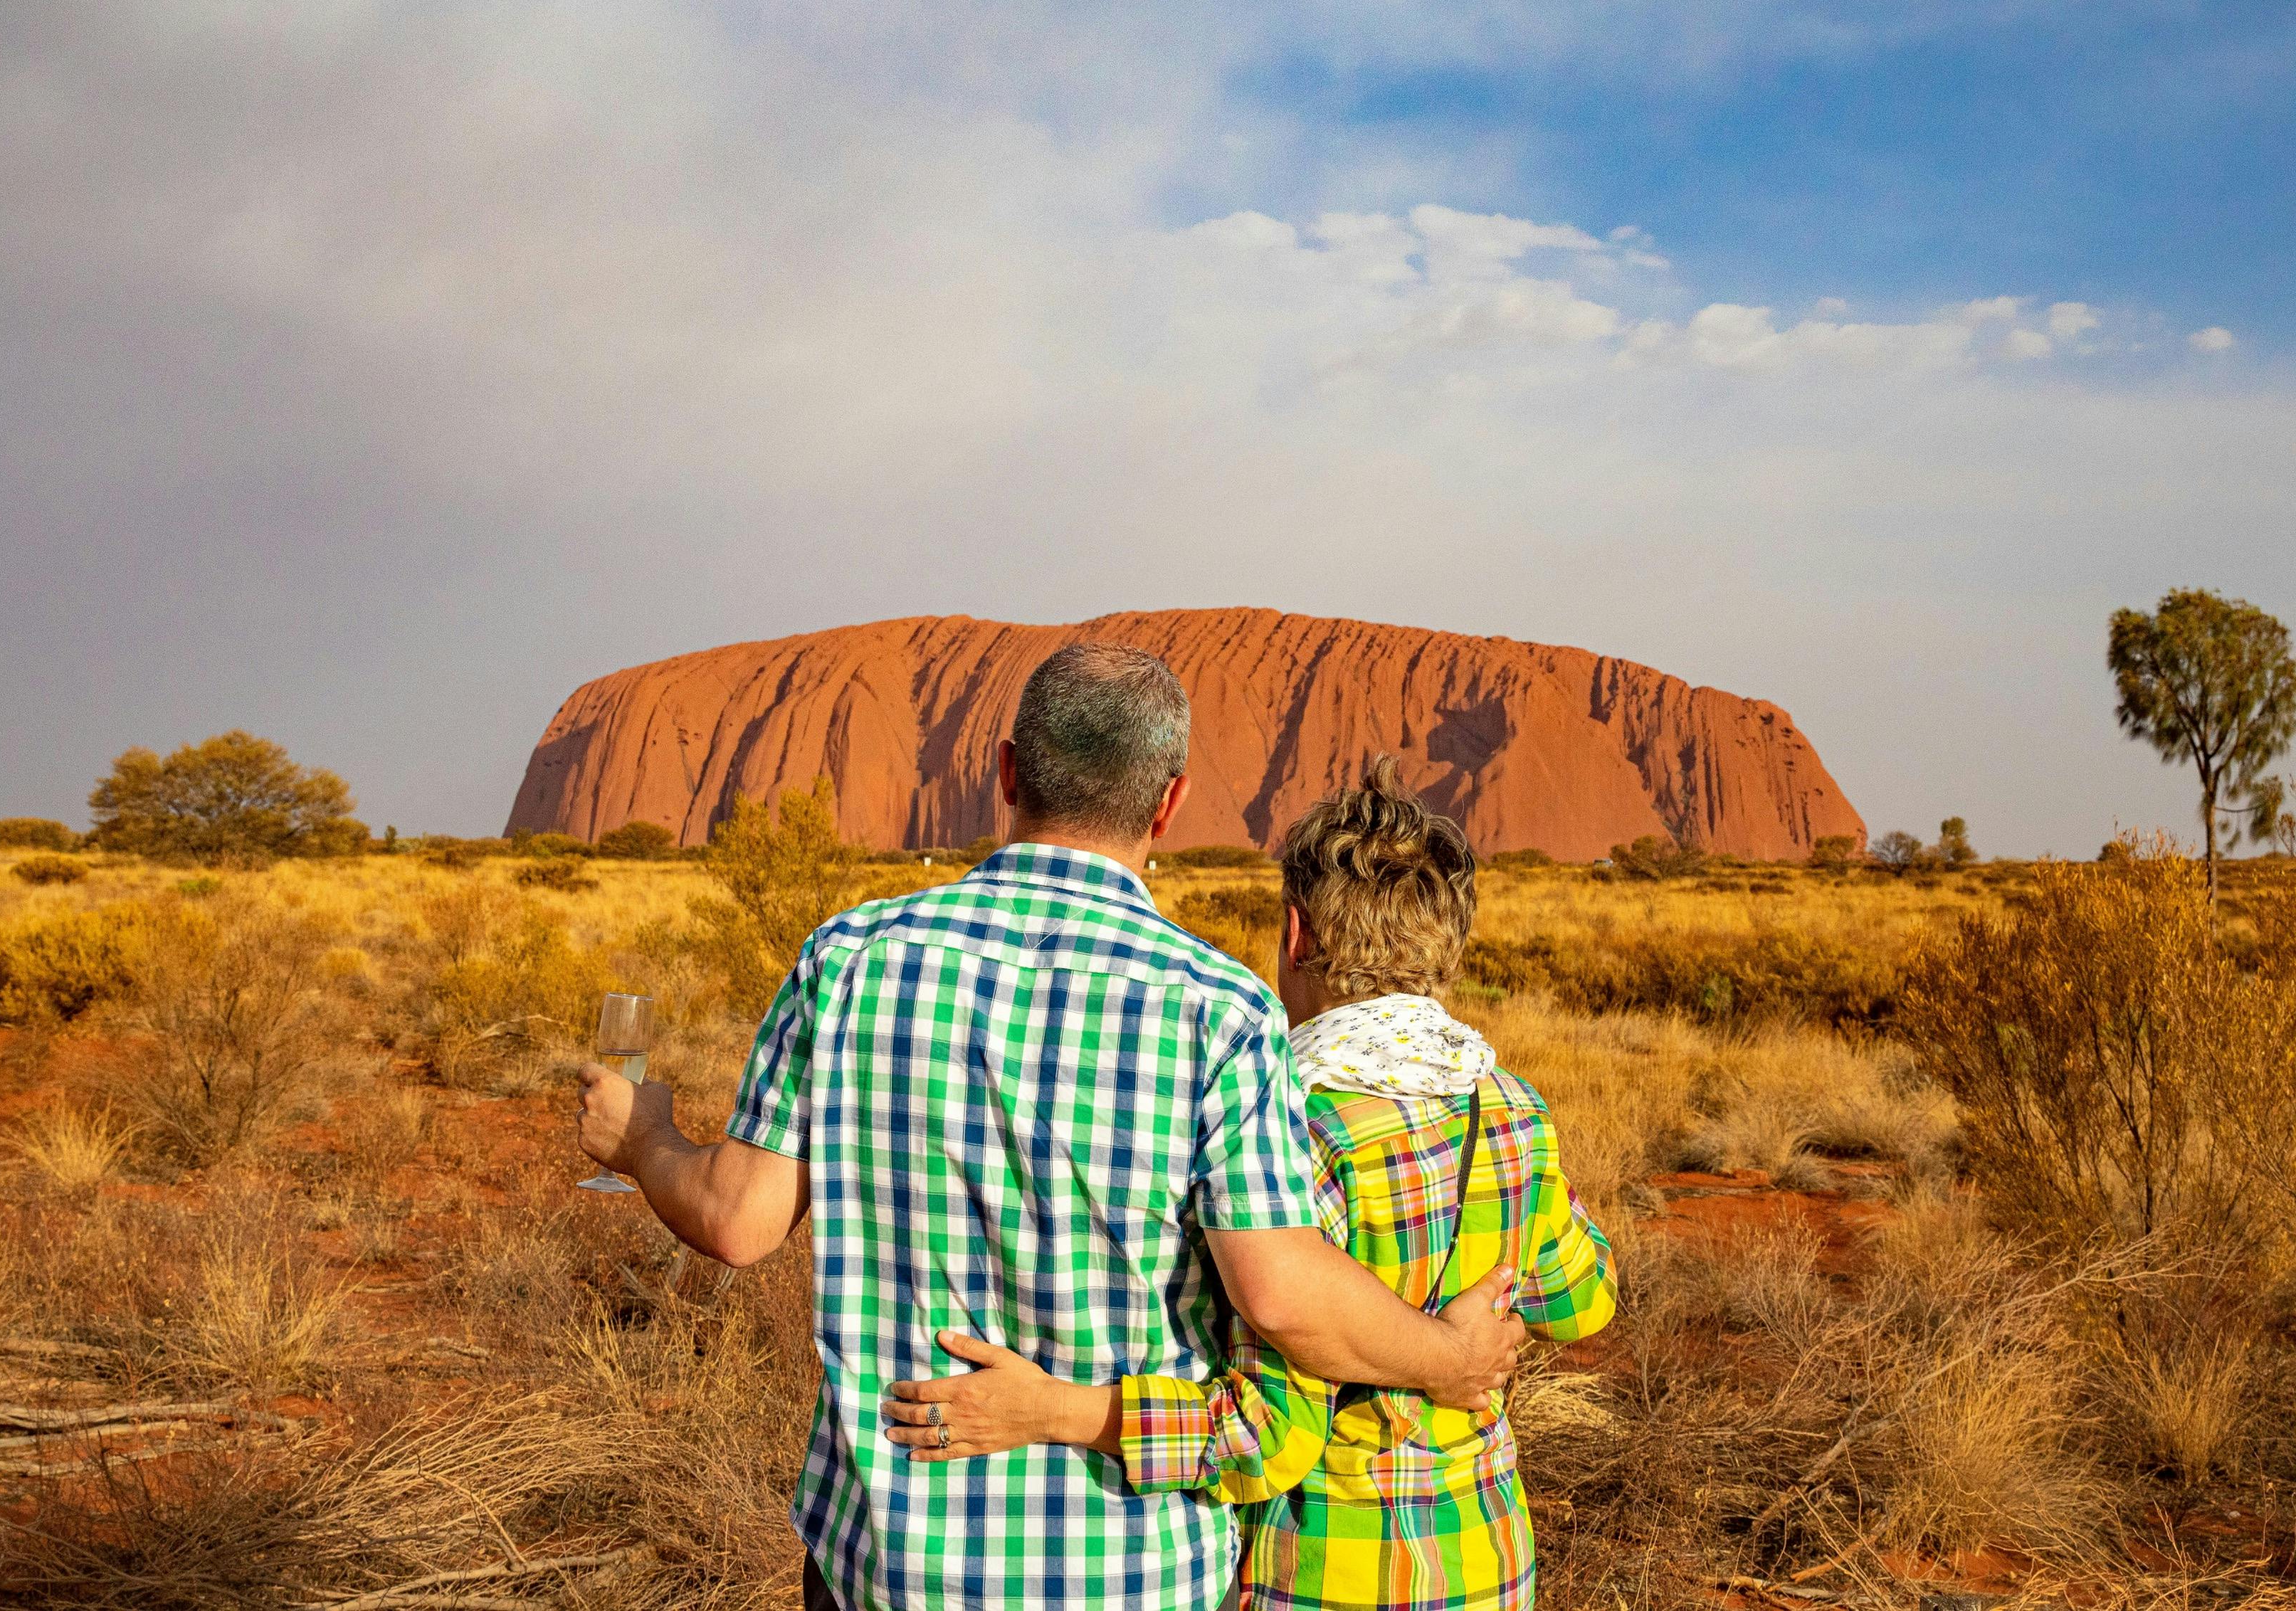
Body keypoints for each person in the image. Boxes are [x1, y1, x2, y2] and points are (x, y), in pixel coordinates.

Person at [577, 649, 1524, 1611]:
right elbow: (1280, 1294)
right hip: (1124, 1575)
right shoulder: (1219, 1007)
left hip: (888, 1567)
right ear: (1170, 804)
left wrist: (643, 1140)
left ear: (1007, 772)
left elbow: (735, 1219)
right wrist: (1451, 1358)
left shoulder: (849, 959)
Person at [881, 757, 1616, 1611]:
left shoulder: (1289, 1127)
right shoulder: (1512, 1107)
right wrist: (1487, 1295)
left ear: (1297, 935)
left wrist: (1053, 1410)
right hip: (1486, 1561)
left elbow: (1261, 1440)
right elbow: (1582, 1301)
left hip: (1324, 1576)